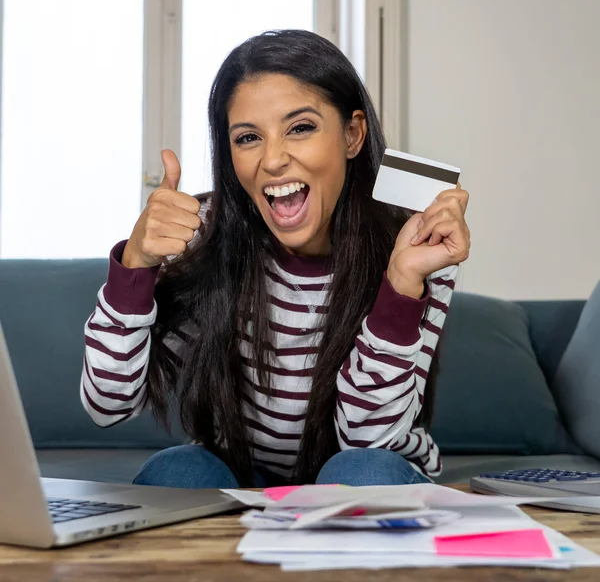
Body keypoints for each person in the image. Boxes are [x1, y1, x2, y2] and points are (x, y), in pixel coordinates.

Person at [81, 29, 470, 489]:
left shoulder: (414, 244)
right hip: (243, 471)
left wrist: (402, 283)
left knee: (361, 472)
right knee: (176, 472)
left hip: (370, 464)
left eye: (300, 128)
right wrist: (137, 263)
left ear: (352, 134)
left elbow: (367, 438)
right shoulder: (201, 231)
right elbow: (108, 405)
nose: (272, 160)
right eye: (248, 137)